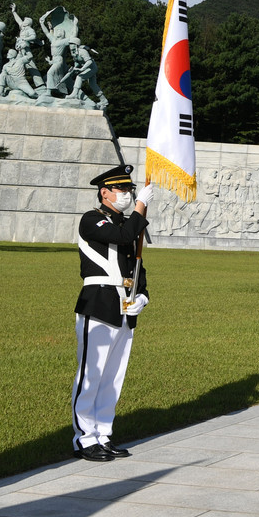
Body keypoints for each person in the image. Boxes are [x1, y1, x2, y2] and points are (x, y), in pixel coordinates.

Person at [72, 164, 154, 461]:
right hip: (99, 302)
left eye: (130, 191)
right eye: (122, 190)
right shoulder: (92, 219)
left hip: (124, 305)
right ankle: (84, 438)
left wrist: (142, 295)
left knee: (112, 376)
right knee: (91, 374)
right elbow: (122, 237)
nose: (128, 195)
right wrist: (142, 205)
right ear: (104, 193)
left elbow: (136, 265)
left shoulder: (126, 224)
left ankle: (103, 434)